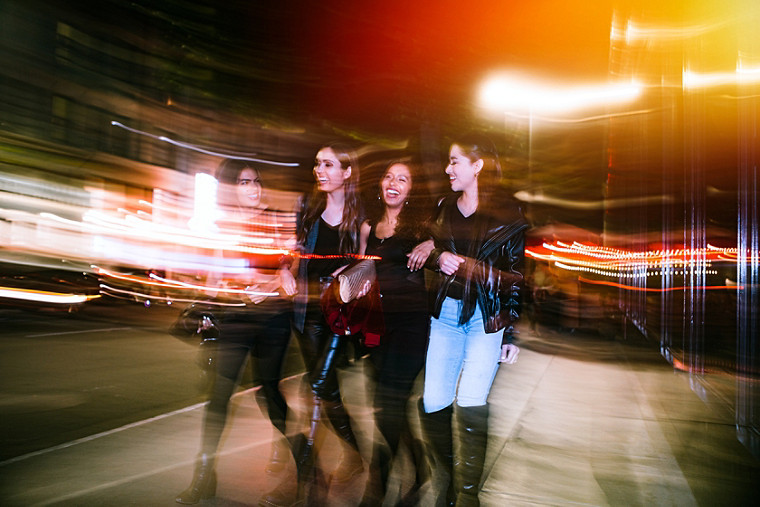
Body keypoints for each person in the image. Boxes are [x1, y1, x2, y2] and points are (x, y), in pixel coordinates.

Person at [176, 159, 297, 505]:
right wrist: (206, 309)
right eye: (245, 183)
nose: (254, 188)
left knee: (270, 395)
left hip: (272, 318)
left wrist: (272, 281)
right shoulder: (222, 227)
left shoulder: (276, 219)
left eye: (256, 181)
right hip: (235, 319)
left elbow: (291, 268)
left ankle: (303, 466)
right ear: (232, 187)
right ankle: (203, 476)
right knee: (218, 397)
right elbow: (215, 277)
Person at [419, 134, 527, 506]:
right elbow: (421, 247)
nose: (448, 169)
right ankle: (448, 480)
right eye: (448, 162)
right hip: (445, 314)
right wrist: (437, 257)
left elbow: (516, 277)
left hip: (486, 320)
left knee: (470, 401)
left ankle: (467, 497)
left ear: (477, 166)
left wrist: (510, 333)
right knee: (433, 401)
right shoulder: (442, 207)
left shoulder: (508, 216)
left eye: (455, 161)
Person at [260, 142, 365, 507]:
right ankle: (355, 452)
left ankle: (303, 481)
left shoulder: (362, 215)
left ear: (347, 172)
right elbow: (290, 253)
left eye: (329, 165)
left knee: (313, 390)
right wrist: (284, 270)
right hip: (307, 315)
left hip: (340, 317)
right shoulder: (308, 208)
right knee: (328, 391)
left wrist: (350, 271)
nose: (319, 170)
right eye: (317, 164)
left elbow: (371, 264)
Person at [356, 159, 432, 505]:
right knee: (386, 405)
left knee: (389, 404)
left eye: (403, 179)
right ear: (380, 184)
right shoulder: (368, 227)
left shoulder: (422, 229)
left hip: (412, 326)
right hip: (377, 327)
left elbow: (448, 251)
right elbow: (361, 271)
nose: (394, 182)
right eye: (389, 176)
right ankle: (419, 467)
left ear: (410, 190)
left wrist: (431, 245)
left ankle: (378, 485)